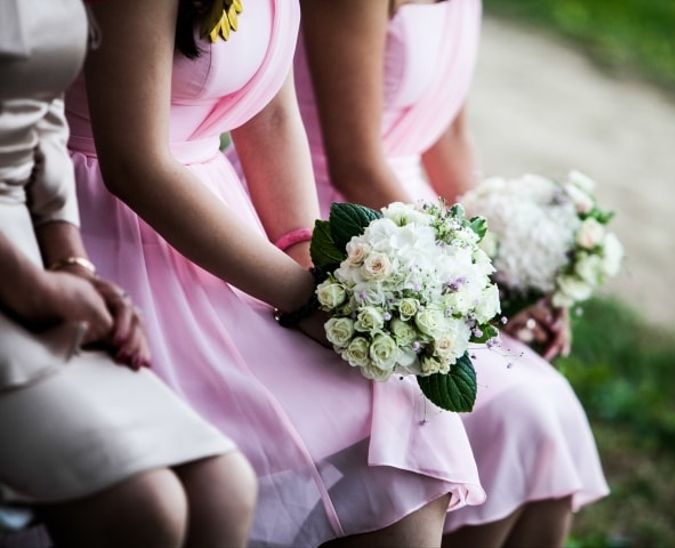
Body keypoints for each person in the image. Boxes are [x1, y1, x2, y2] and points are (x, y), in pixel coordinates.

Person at [67, 0, 484, 546]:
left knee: (405, 428)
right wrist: (305, 301)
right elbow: (134, 165)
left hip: (221, 228)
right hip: (110, 229)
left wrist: (316, 267)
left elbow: (272, 115)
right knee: (216, 478)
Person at [292, 0, 610, 545]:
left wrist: (512, 280)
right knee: (522, 413)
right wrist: (469, 278)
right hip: (355, 234)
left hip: (430, 231)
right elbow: (355, 163)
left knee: (553, 408)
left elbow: (450, 139)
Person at [0, 2, 256, 547]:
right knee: (145, 508)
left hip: (32, 242)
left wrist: (72, 263)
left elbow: (43, 114)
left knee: (224, 487)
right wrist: (30, 286)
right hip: (11, 272)